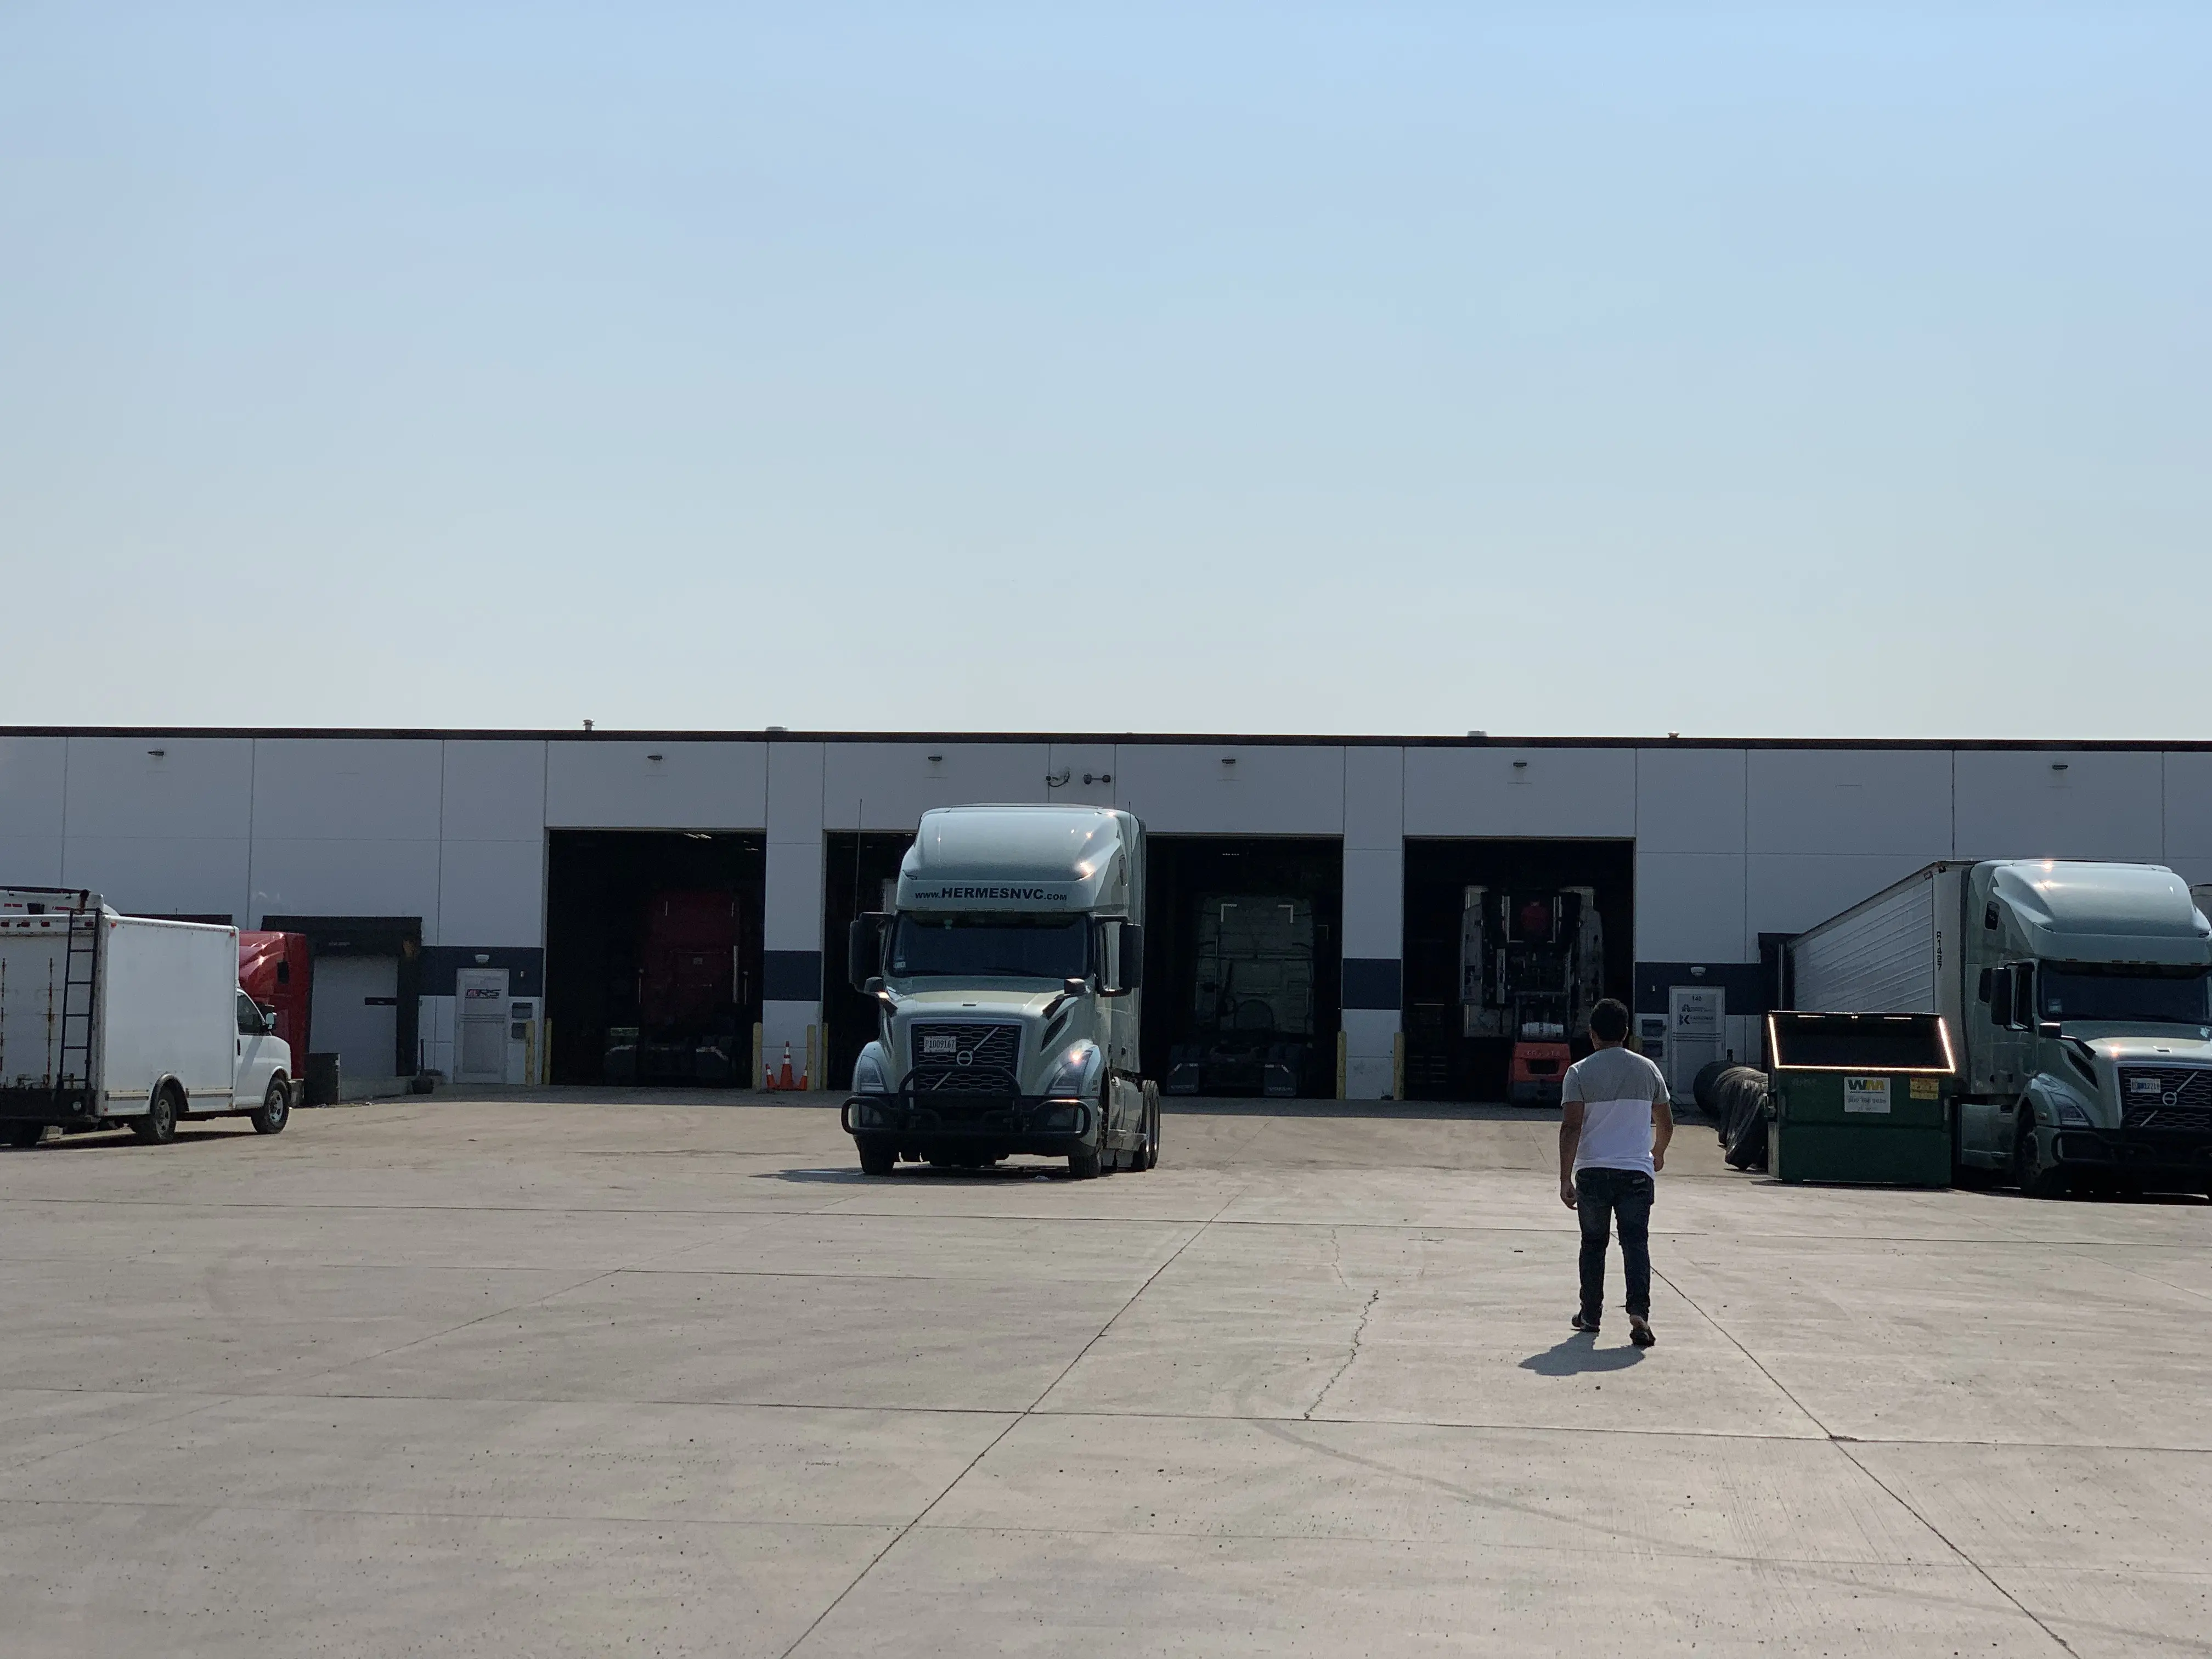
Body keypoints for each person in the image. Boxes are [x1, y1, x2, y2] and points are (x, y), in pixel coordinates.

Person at [1558, 997, 1672, 1347]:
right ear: (1626, 1033)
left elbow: (1571, 1127)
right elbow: (1666, 1122)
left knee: (1594, 1244)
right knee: (1635, 1243)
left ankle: (1590, 1315)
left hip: (1592, 1174)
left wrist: (1565, 1177)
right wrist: (1657, 1153)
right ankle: (1639, 1314)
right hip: (1636, 1174)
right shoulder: (1648, 1069)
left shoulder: (1578, 1072)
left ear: (1592, 1035)